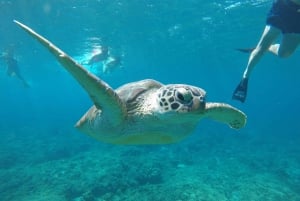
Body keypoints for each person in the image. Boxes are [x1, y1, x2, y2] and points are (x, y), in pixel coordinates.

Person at [232, 0, 300, 103]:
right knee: (261, 48)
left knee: (284, 54)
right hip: (283, 7)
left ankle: (269, 47)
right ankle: (245, 78)